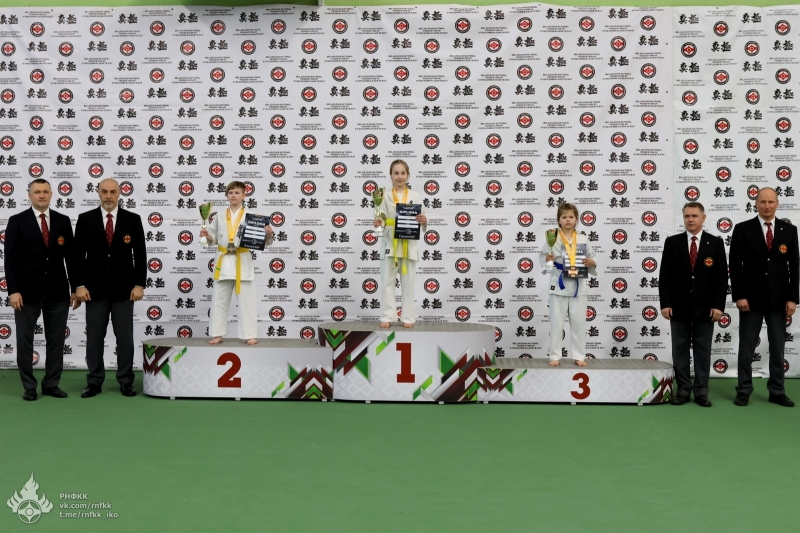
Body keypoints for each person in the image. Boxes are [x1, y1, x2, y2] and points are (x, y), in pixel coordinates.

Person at [5, 179, 80, 401]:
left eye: (45, 191)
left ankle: (51, 384)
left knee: (56, 341)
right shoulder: (17, 221)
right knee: (25, 340)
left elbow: (71, 258)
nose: (41, 195)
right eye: (37, 192)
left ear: (51, 194)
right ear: (29, 195)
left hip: (58, 292)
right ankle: (29, 386)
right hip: (26, 294)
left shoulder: (62, 221)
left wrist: (76, 287)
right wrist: (13, 290)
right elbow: (10, 260)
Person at [74, 178, 146, 398]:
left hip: (124, 290)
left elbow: (140, 255)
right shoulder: (85, 219)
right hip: (94, 291)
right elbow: (77, 257)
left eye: (112, 192)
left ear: (119, 193)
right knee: (94, 339)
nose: (108, 196)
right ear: (98, 193)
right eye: (104, 191)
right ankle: (94, 381)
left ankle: (126, 381)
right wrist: (79, 285)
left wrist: (139, 284)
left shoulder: (132, 219)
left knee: (125, 339)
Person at [729, 187, 798, 407]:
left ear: (777, 204)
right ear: (756, 203)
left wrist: (793, 299)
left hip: (779, 301)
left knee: (777, 347)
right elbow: (735, 265)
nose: (767, 206)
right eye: (762, 202)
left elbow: (795, 267)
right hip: (750, 300)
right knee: (746, 347)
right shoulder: (743, 229)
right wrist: (739, 295)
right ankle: (744, 389)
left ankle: (777, 391)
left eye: (771, 202)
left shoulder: (789, 230)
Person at [658, 202, 728, 407]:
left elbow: (721, 278)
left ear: (703, 218)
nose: (690, 219)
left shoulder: (715, 243)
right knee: (679, 350)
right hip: (678, 307)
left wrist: (718, 305)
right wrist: (665, 303)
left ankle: (701, 392)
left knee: (702, 350)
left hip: (706, 308)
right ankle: (683, 390)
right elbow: (665, 276)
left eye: (695, 216)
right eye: (687, 216)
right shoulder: (673, 242)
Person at [200, 181, 273, 345]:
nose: (233, 195)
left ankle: (249, 334)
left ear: (244, 195)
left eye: (237, 192)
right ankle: (217, 333)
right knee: (219, 300)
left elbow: (264, 241)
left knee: (247, 301)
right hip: (224, 261)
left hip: (242, 261)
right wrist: (206, 235)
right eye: (230, 192)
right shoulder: (219, 216)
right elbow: (213, 239)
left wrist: (268, 234)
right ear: (226, 195)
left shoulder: (253, 217)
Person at [539, 203, 597, 366]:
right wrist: (547, 261)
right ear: (559, 220)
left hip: (578, 287)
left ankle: (579, 356)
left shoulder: (583, 238)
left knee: (579, 324)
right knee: (556, 324)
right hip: (559, 285)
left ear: (576, 219)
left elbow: (593, 257)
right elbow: (543, 259)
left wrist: (592, 262)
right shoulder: (552, 238)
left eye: (571, 217)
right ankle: (554, 356)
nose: (568, 220)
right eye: (564, 217)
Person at [373, 159, 427, 328]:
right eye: (396, 173)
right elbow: (379, 222)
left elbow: (422, 219)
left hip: (408, 245)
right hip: (390, 244)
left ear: (408, 175)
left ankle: (408, 317)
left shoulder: (415, 196)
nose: (399, 176)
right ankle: (387, 316)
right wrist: (378, 225)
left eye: (403, 173)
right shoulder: (382, 195)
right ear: (391, 175)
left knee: (408, 283)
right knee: (387, 283)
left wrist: (424, 220)